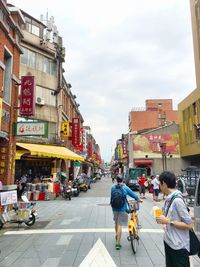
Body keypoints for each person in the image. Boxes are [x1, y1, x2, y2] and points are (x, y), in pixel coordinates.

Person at [155, 171, 193, 267]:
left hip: (178, 247)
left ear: (164, 183)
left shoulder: (177, 200)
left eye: (160, 183)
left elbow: (189, 225)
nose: (159, 186)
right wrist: (164, 221)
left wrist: (168, 221)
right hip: (169, 242)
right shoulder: (168, 198)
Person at [111, 175, 142, 250]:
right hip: (123, 209)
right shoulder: (125, 187)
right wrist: (138, 199)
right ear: (122, 180)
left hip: (114, 208)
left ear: (116, 180)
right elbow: (133, 195)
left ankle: (117, 235)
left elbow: (112, 197)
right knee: (120, 225)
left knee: (116, 223)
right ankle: (118, 243)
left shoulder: (113, 187)